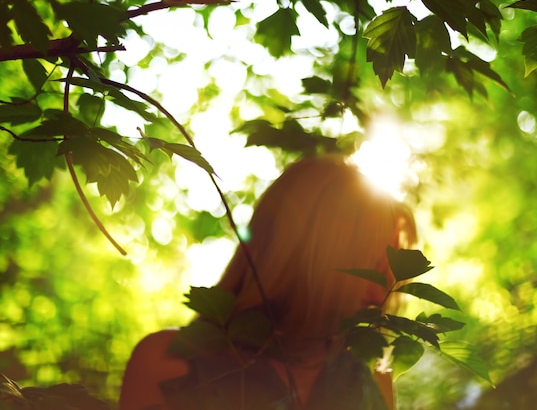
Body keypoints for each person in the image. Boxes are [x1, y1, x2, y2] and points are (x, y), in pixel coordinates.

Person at [119, 155, 417, 410]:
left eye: (390, 279)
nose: (380, 294)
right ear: (308, 258)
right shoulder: (169, 363)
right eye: (373, 269)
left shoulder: (371, 380)